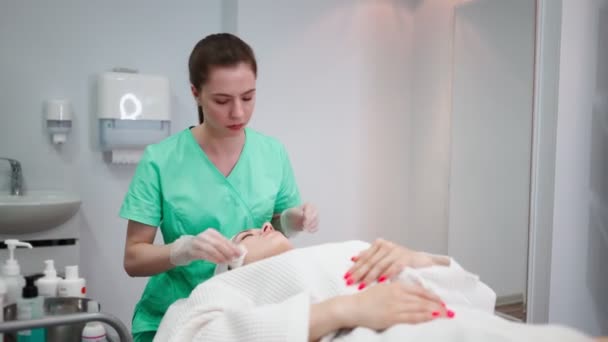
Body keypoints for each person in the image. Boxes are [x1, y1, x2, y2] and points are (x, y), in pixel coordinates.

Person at [119, 33, 319, 342]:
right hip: (176, 316)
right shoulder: (160, 161)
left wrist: (291, 221)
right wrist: (181, 250)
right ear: (196, 93)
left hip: (250, 313)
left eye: (248, 97)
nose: (238, 113)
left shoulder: (272, 153)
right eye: (222, 101)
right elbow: (133, 259)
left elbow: (274, 229)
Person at [154, 223, 602, 342]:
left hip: (440, 317)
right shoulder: (222, 288)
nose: (267, 226)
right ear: (230, 262)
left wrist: (422, 260)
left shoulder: (341, 250)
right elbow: (194, 337)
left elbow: (478, 300)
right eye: (250, 233)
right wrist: (346, 311)